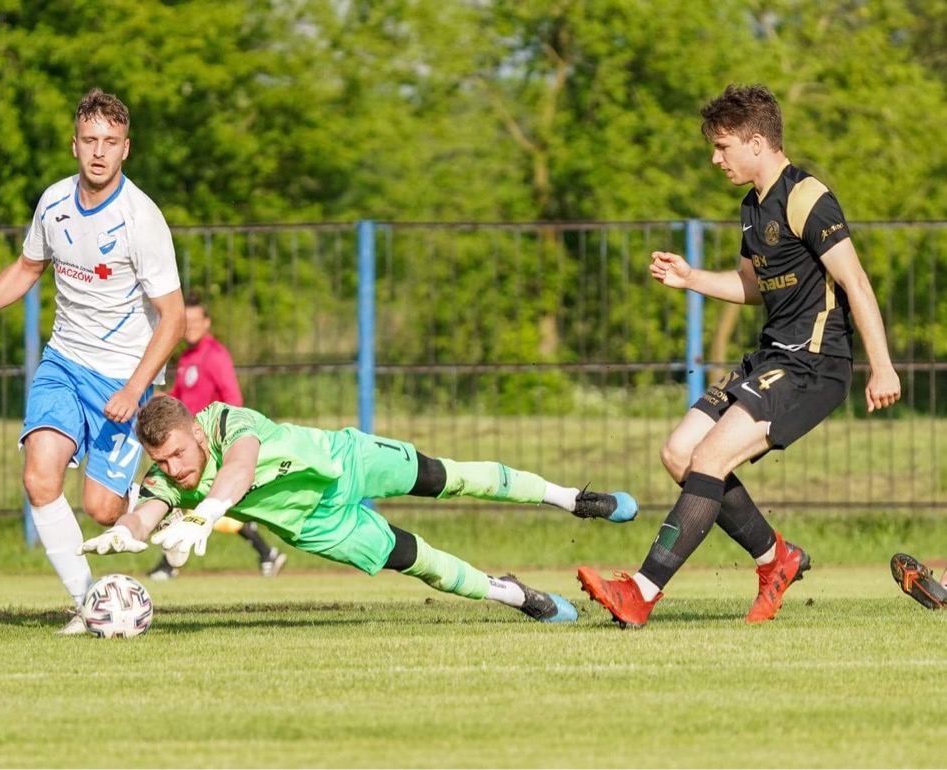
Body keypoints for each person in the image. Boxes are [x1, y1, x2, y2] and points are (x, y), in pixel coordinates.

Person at [577, 83, 902, 628]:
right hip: (772, 354)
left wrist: (883, 365)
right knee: (680, 454)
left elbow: (857, 283)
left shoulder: (806, 197)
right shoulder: (751, 208)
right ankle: (778, 560)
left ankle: (640, 592)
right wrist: (690, 279)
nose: (715, 158)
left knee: (709, 460)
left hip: (812, 362)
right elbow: (755, 286)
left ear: (757, 142)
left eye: (722, 146)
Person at [0, 89, 185, 635]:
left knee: (101, 509)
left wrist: (135, 387)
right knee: (38, 476)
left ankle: (172, 498)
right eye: (90, 140)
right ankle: (86, 603)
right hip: (63, 362)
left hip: (123, 375)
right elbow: (28, 268)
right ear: (74, 144)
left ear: (126, 150)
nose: (99, 152)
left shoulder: (141, 219)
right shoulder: (53, 203)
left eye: (111, 142)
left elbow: (174, 318)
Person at [77, 395, 640, 624]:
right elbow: (148, 509)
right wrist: (126, 532)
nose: (175, 470)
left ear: (195, 432)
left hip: (348, 461)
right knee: (421, 563)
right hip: (320, 525)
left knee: (452, 477)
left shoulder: (227, 421)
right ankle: (517, 595)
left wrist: (210, 509)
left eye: (178, 454)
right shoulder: (168, 478)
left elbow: (240, 468)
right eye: (163, 461)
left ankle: (573, 499)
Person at [147, 289, 287, 581]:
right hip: (186, 449)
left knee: (202, 505)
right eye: (187, 322)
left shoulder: (216, 356)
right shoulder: (185, 359)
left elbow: (233, 401)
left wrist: (226, 443)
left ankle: (169, 565)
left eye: (197, 322)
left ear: (207, 323)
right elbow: (178, 401)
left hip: (210, 447)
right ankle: (266, 553)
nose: (192, 327)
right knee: (207, 507)